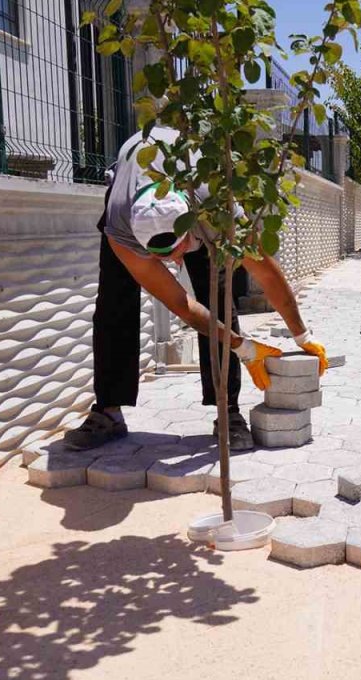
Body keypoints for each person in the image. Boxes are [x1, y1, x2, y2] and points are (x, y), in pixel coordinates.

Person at [66, 127, 329, 452]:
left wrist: (302, 336)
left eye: (176, 251)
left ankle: (227, 410)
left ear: (191, 226)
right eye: (161, 257)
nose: (175, 264)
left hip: (195, 179)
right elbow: (181, 304)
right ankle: (108, 410)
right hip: (131, 186)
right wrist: (244, 347)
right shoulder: (124, 224)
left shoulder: (216, 208)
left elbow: (266, 273)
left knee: (219, 296)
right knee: (113, 305)